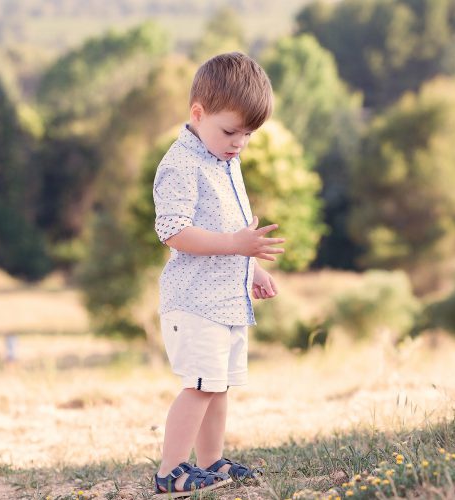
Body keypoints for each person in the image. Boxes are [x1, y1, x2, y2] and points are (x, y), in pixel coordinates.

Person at [151, 52, 285, 498]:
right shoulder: (182, 163)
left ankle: (210, 462)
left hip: (225, 299)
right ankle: (171, 470)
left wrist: (252, 268)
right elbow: (173, 231)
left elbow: (232, 228)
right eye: (230, 131)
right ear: (197, 113)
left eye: (247, 135)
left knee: (219, 385)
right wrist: (236, 247)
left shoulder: (225, 159)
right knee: (200, 386)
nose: (238, 143)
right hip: (195, 302)